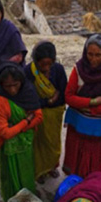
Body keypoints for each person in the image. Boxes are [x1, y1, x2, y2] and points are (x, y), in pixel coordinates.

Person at [62, 34, 101, 177]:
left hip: (97, 127)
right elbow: (68, 97)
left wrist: (87, 108)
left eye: (98, 55)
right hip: (77, 125)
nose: (93, 59)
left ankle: (90, 183)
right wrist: (92, 102)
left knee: (93, 157)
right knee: (75, 153)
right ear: (85, 52)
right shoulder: (78, 70)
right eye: (90, 54)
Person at [0, 64, 43, 202]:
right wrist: (26, 121)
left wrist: (18, 127)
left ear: (22, 81)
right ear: (1, 85)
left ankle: (28, 198)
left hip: (26, 143)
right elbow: (5, 133)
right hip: (10, 148)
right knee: (12, 177)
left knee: (27, 172)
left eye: (15, 84)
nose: (12, 90)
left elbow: (39, 117)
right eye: (7, 86)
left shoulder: (28, 92)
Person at [24, 41, 68, 182]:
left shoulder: (58, 70)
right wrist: (48, 101)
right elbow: (28, 97)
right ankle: (40, 171)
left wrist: (55, 99)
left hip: (54, 115)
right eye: (43, 65)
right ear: (36, 61)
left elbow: (63, 93)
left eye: (49, 64)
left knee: (52, 142)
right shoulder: (29, 72)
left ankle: (51, 167)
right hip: (38, 113)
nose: (46, 68)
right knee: (39, 144)